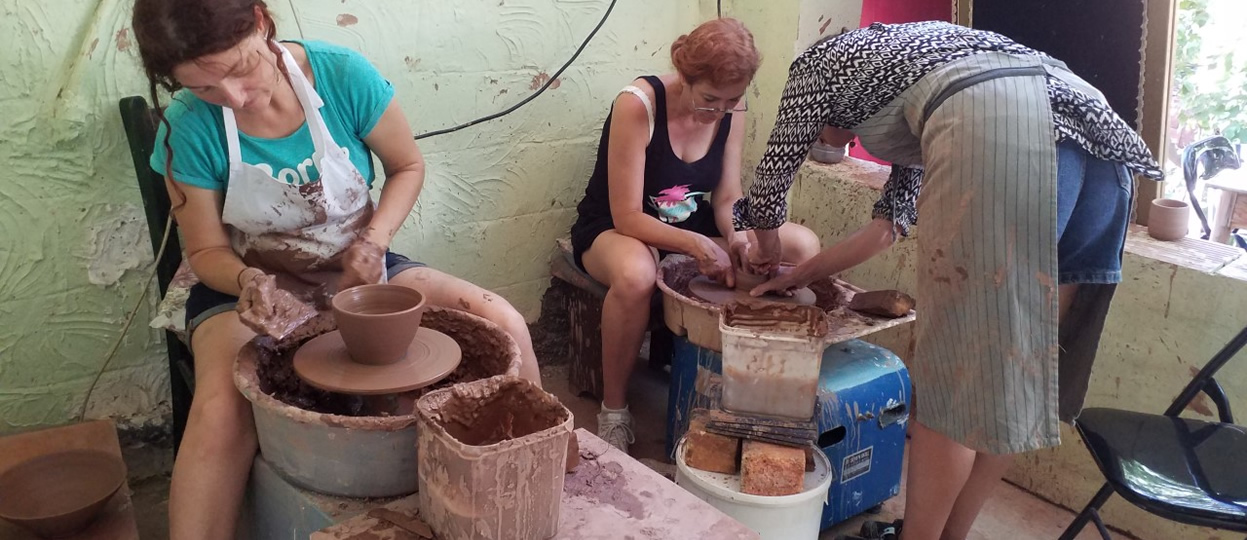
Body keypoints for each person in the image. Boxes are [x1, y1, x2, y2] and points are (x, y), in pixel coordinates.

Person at [734, 21, 1161, 540]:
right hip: (1094, 134)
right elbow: (886, 229)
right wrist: (800, 274)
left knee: (953, 392)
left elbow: (771, 184)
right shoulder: (907, 67)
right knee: (1014, 378)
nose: (836, 147)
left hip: (1004, 128)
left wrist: (764, 255)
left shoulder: (818, 66)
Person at [130, 1, 541, 537]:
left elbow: (407, 166)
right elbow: (207, 251)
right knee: (222, 405)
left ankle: (545, 479)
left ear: (260, 22)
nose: (232, 98)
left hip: (359, 264)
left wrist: (374, 242)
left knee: (501, 320)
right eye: (204, 88)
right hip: (246, 285)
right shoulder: (186, 125)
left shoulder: (340, 75)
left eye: (238, 69)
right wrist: (248, 281)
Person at [569, 18, 822, 453]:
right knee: (635, 276)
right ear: (684, 77)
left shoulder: (730, 109)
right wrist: (694, 245)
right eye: (709, 99)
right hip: (619, 229)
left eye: (731, 101)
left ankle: (758, 392)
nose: (717, 112)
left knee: (801, 245)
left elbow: (726, 195)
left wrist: (738, 236)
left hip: (693, 227)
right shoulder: (637, 105)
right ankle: (614, 410)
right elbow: (626, 214)